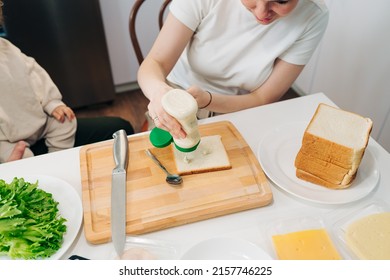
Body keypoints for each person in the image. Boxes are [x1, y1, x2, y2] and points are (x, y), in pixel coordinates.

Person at [138, 0, 329, 139]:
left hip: (240, 107)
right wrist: (159, 92)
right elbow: (155, 63)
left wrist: (209, 100)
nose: (262, 13)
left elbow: (263, 98)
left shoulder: (313, 15)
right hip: (176, 97)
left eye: (280, 1)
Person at [0, 2, 134, 163]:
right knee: (20, 160)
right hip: (8, 140)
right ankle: (37, 169)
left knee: (67, 123)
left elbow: (33, 74)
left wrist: (52, 103)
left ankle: (57, 159)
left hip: (39, 122)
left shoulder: (5, 47)